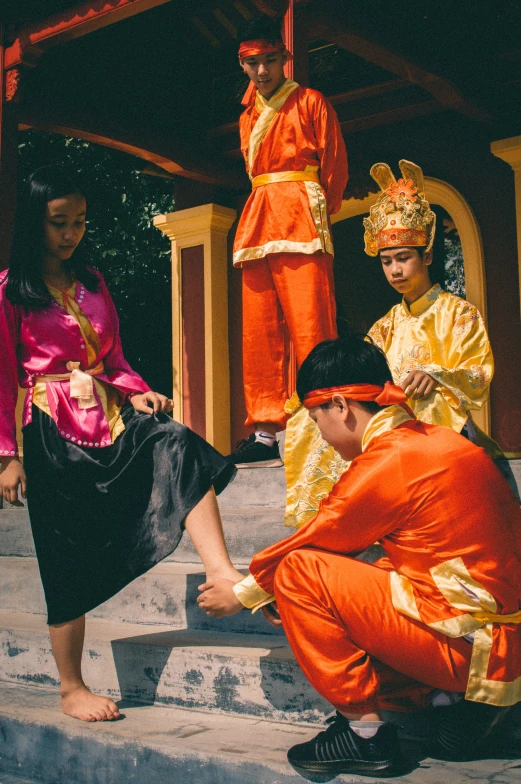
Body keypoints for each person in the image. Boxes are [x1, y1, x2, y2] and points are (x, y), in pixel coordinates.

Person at [198, 336, 521, 776]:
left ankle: (365, 736)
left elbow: (318, 535)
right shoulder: (442, 441)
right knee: (376, 568)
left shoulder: (392, 459)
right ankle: (452, 705)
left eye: (316, 420)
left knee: (297, 573)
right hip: (498, 642)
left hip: (476, 650)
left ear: (340, 405)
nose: (322, 436)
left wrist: (240, 592)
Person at [0, 165, 243, 724]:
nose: (70, 234)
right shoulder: (11, 291)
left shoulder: (92, 280)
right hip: (49, 427)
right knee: (64, 552)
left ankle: (222, 570)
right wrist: (6, 455)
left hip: (108, 409)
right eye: (59, 223)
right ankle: (70, 686)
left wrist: (135, 391)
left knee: (175, 439)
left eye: (79, 222)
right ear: (35, 222)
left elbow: (114, 357)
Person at [284, 159, 495, 528]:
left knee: (423, 399)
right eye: (387, 262)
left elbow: (478, 374)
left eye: (403, 258)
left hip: (438, 424)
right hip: (386, 421)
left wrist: (436, 375)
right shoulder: (384, 326)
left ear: (426, 256)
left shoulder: (459, 314)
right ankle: (330, 520)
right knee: (312, 414)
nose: (395, 270)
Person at [225, 15, 348, 467]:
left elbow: (334, 168)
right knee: (258, 331)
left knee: (311, 323)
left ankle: (325, 417)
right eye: (253, 63)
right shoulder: (247, 115)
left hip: (299, 210)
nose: (262, 72)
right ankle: (264, 431)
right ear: (242, 64)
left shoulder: (311, 102)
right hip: (260, 214)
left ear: (285, 58)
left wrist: (314, 207)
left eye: (270, 61)